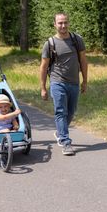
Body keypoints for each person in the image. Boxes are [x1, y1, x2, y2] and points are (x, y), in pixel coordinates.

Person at [39, 13, 87, 156]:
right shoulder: (50, 43)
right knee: (61, 111)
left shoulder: (77, 40)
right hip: (57, 81)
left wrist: (85, 80)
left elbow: (83, 61)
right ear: (55, 24)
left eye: (65, 22)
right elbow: (43, 66)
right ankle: (66, 142)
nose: (63, 26)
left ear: (68, 23)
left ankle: (60, 132)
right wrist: (43, 87)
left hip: (74, 82)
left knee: (71, 111)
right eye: (60, 23)